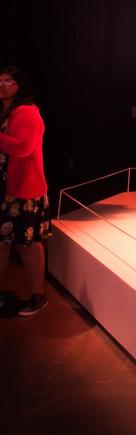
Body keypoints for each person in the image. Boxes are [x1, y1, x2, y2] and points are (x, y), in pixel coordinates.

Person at [0, 66, 51, 316]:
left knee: (28, 243)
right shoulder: (6, 111)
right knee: (3, 243)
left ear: (20, 85)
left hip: (22, 191)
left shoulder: (27, 112)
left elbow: (22, 148)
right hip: (6, 188)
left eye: (8, 81)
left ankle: (38, 296)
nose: (2, 84)